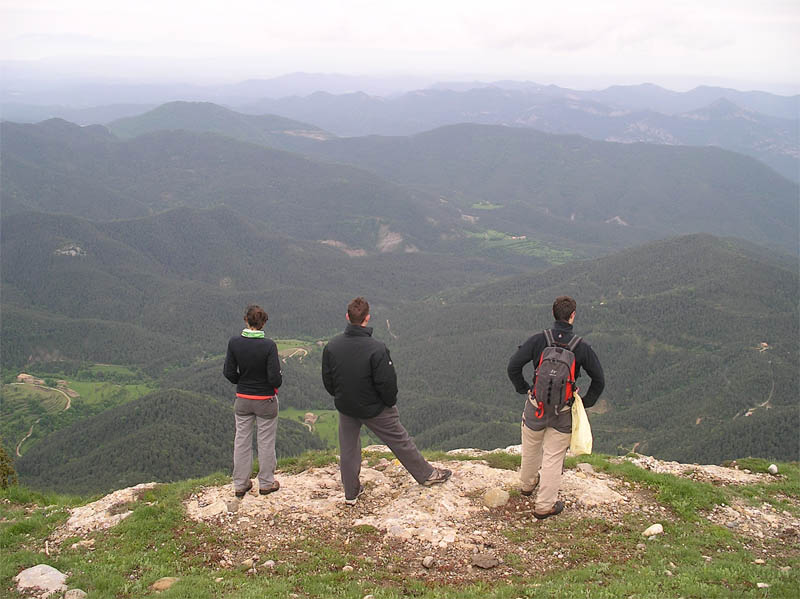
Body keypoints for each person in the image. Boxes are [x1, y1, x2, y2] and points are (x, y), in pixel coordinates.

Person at [322, 297, 451, 505]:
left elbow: (328, 379)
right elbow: (387, 384)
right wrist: (388, 403)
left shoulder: (332, 346)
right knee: (401, 441)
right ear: (367, 318)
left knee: (348, 450)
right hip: (375, 408)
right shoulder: (377, 348)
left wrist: (340, 397)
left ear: (347, 317)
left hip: (346, 406)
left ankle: (351, 494)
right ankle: (427, 475)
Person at [507, 296, 604, 519]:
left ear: (553, 314)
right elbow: (599, 380)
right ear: (573, 315)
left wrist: (525, 388)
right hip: (563, 411)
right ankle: (544, 506)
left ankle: (527, 485)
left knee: (531, 446)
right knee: (553, 457)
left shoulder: (539, 340)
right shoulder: (581, 347)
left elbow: (513, 366)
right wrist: (585, 402)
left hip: (536, 405)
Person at [223, 304, 283, 498]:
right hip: (265, 400)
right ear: (264, 323)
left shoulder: (234, 343)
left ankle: (240, 484)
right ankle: (266, 483)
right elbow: (275, 379)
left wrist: (243, 383)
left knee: (241, 440)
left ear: (245, 320)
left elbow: (229, 372)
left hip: (243, 399)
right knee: (265, 442)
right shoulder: (269, 346)